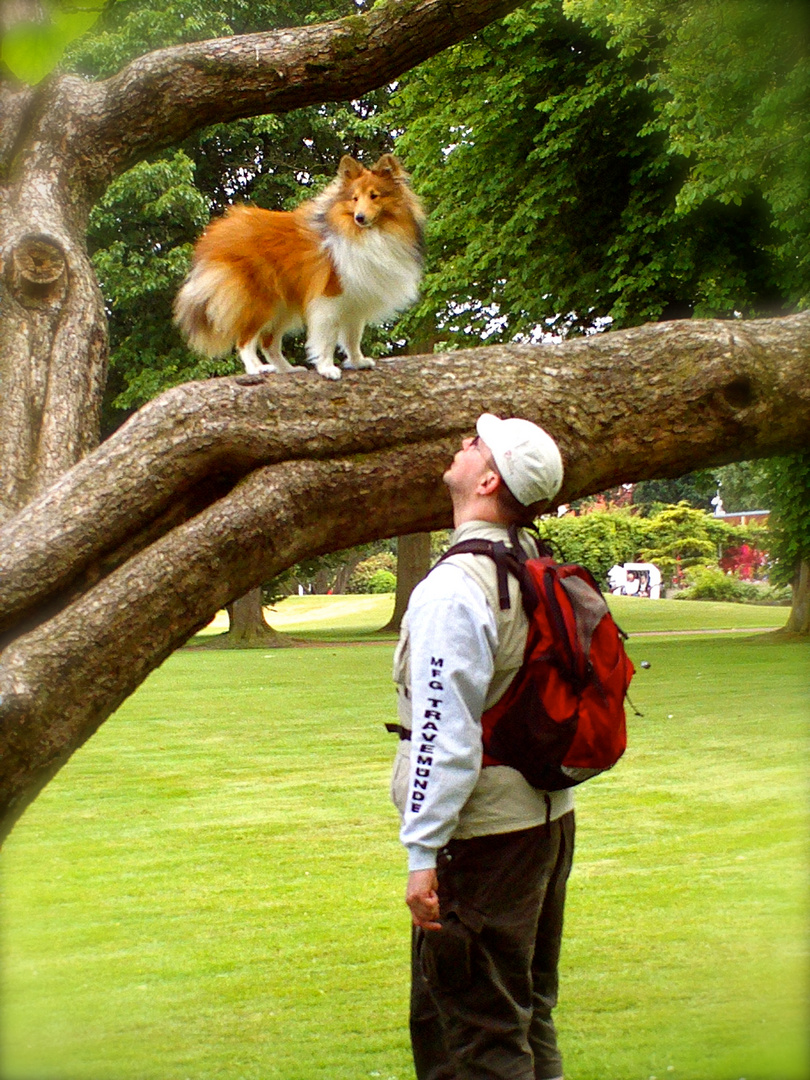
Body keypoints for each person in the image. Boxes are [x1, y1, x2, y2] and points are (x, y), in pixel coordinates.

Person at [391, 413, 575, 1080]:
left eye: (475, 444)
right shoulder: (530, 566)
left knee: (475, 1038)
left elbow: (443, 732)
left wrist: (421, 851)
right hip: (545, 827)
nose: (463, 446)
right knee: (525, 1014)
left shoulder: (454, 589)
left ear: (490, 478)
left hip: (483, 845)